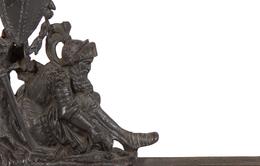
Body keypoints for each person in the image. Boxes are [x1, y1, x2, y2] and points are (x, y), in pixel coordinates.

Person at [16, 37, 158, 155]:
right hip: (37, 129)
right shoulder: (59, 76)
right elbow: (66, 110)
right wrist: (93, 129)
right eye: (86, 64)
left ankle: (126, 137)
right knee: (85, 101)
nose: (88, 68)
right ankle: (127, 138)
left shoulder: (59, 70)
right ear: (74, 62)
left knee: (88, 98)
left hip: (36, 122)